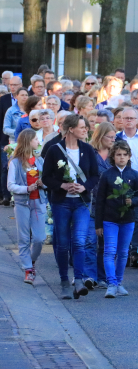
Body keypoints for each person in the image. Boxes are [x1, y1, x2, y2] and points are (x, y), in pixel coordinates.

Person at [42, 114, 99, 300]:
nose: (86, 130)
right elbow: (46, 177)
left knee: (79, 241)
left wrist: (84, 186)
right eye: (82, 127)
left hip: (81, 202)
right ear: (71, 129)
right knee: (63, 243)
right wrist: (62, 185)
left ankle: (80, 279)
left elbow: (95, 176)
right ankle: (64, 281)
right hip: (62, 202)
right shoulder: (54, 150)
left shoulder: (88, 150)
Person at [95, 141, 138, 298]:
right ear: (113, 156)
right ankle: (111, 283)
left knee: (123, 252)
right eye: (118, 155)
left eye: (124, 155)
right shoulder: (107, 175)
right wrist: (98, 224)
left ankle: (119, 282)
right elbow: (100, 200)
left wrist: (133, 202)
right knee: (110, 251)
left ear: (129, 156)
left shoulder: (134, 175)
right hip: (109, 219)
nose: (121, 158)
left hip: (128, 219)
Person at [7, 129, 46, 284]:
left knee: (39, 238)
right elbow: (10, 185)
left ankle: (31, 261)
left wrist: (44, 184)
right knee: (23, 238)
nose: (38, 142)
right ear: (28, 141)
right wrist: (26, 189)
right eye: (36, 139)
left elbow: (48, 180)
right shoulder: (15, 162)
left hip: (39, 202)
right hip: (23, 203)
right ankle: (28, 269)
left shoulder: (40, 160)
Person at [88, 122, 118, 289]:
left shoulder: (116, 154)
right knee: (90, 240)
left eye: (114, 137)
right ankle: (89, 275)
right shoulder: (90, 152)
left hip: (110, 204)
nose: (113, 140)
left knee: (106, 243)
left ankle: (103, 276)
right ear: (100, 136)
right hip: (92, 202)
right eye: (110, 137)